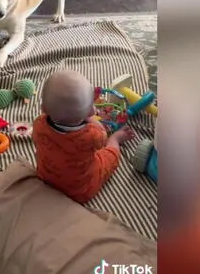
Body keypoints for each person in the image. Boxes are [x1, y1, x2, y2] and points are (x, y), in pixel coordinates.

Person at [33, 70, 135, 203]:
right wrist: (94, 120)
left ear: (43, 109)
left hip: (46, 180)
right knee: (108, 155)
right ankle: (116, 139)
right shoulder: (93, 135)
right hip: (80, 191)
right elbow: (101, 138)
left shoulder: (38, 124)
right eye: (91, 106)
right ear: (91, 112)